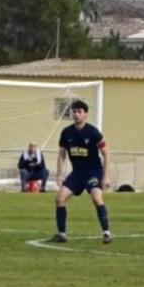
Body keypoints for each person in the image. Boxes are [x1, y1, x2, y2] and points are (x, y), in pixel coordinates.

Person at [48, 100, 112, 243]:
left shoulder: (93, 132)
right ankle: (62, 234)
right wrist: (59, 174)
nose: (76, 115)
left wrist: (106, 177)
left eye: (79, 112)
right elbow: (62, 154)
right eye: (74, 112)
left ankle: (107, 233)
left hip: (93, 172)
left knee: (96, 198)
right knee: (59, 199)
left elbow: (106, 154)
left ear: (85, 114)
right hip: (77, 173)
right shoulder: (66, 133)